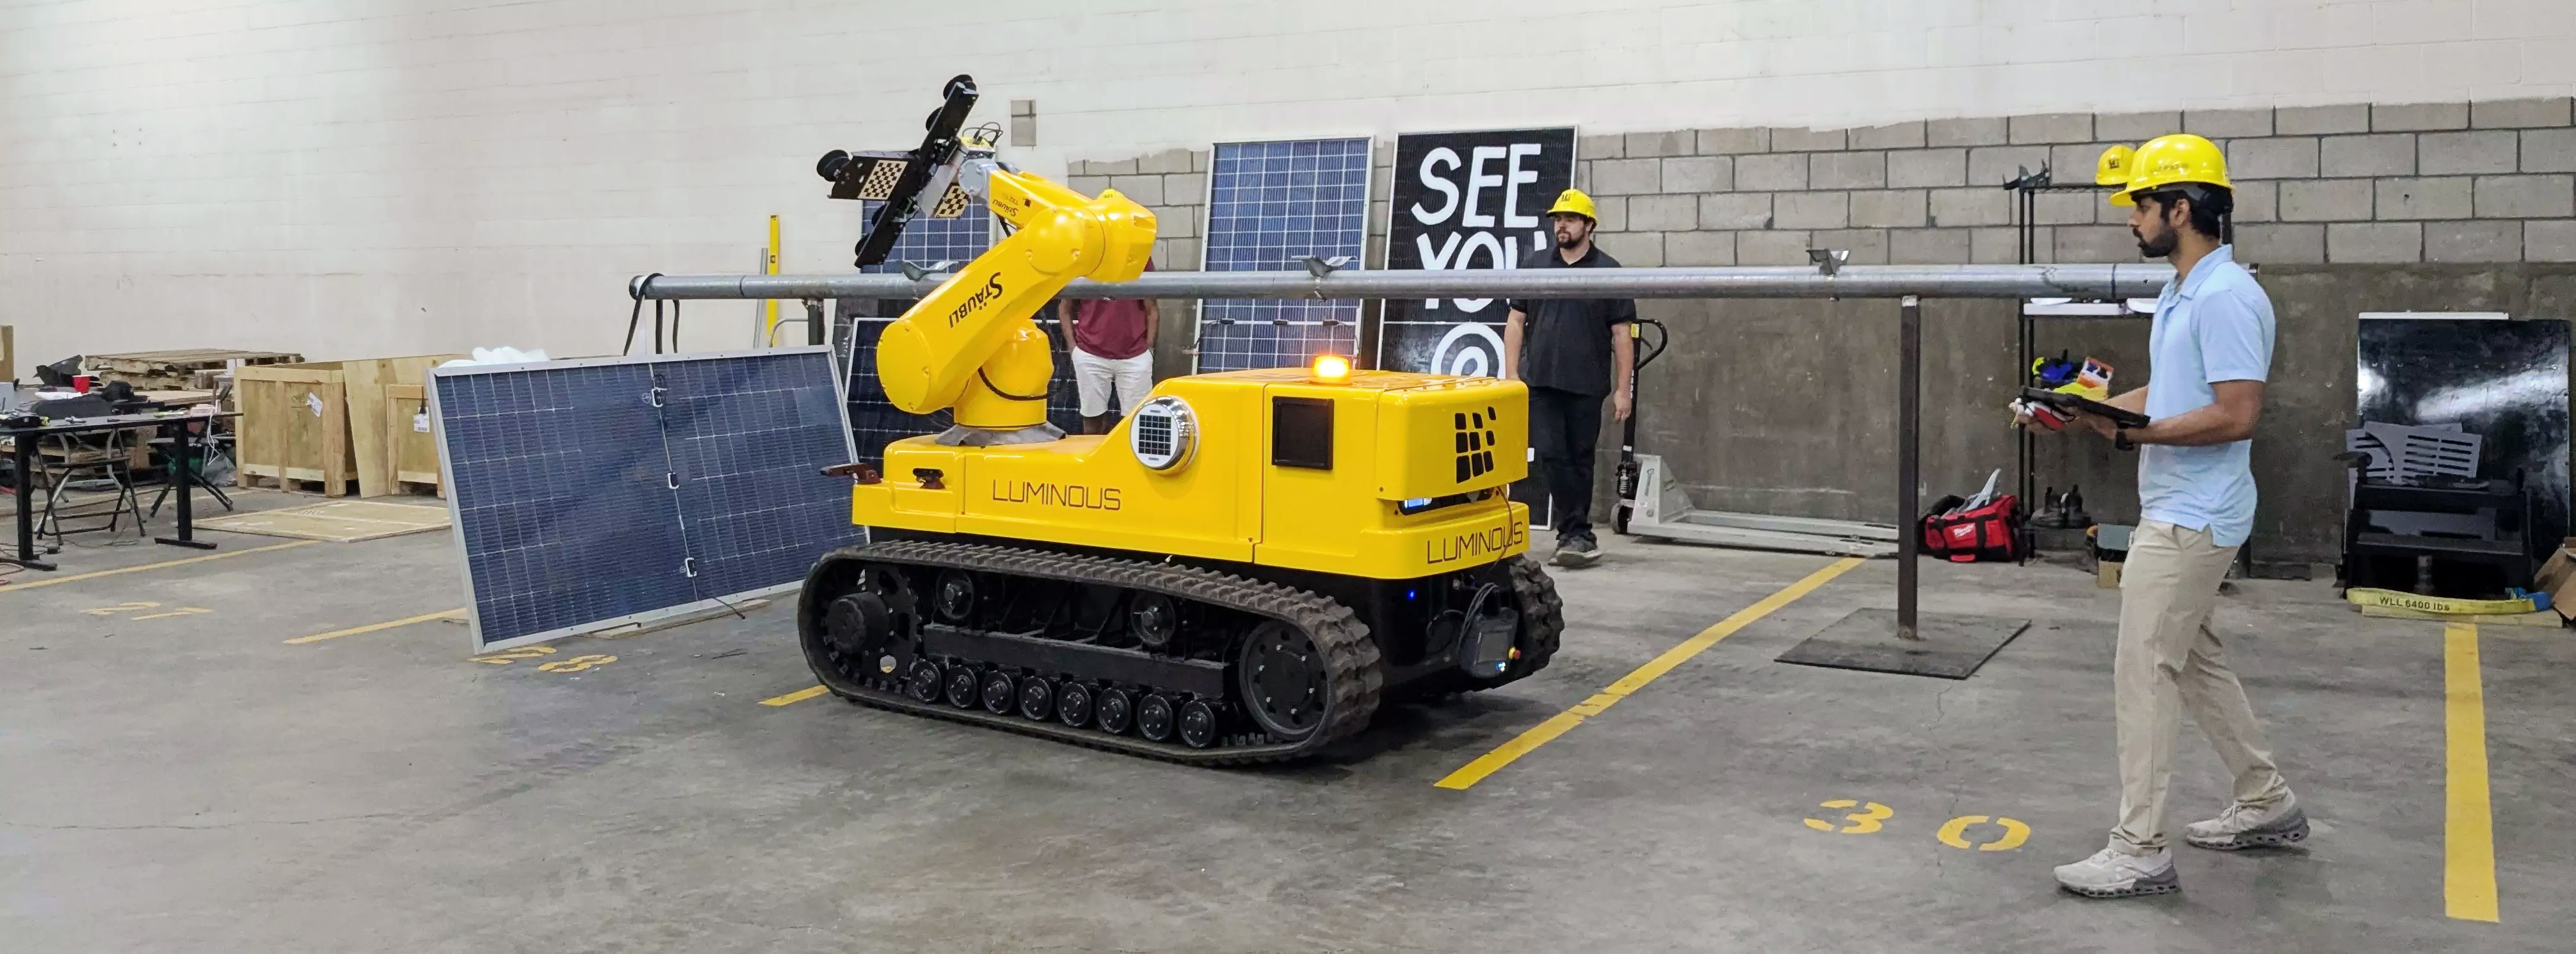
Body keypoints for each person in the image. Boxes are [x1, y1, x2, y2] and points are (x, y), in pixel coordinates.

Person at [2027, 133, 2306, 900]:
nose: (2132, 220)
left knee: (2144, 666)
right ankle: (2267, 801)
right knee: (2192, 661)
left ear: (2180, 209)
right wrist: (2082, 411)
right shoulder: (2183, 292)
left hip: (2194, 516)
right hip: (2182, 506)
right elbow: (2170, 396)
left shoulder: (2225, 297)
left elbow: (2236, 413)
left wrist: (2135, 433)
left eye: (2142, 205)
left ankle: (2138, 847)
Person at [1501, 189, 1635, 569]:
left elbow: (1622, 334)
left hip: (1586, 383)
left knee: (1580, 458)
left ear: (1589, 226)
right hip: (1541, 381)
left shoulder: (1608, 272)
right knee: (1552, 453)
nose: (1561, 225)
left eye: (1571, 219)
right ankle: (1574, 532)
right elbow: (1516, 321)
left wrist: (1623, 391)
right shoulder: (1535, 265)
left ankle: (1577, 534)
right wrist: (1512, 375)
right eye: (1558, 219)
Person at [1063, 261, 1159, 434]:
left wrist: (1149, 350)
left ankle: (1126, 461)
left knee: (1137, 422)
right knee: (1092, 420)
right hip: (1090, 354)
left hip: (1135, 356)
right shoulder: (1084, 258)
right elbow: (1065, 308)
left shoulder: (1138, 258)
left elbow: (1152, 309)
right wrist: (1073, 348)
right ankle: (1093, 460)